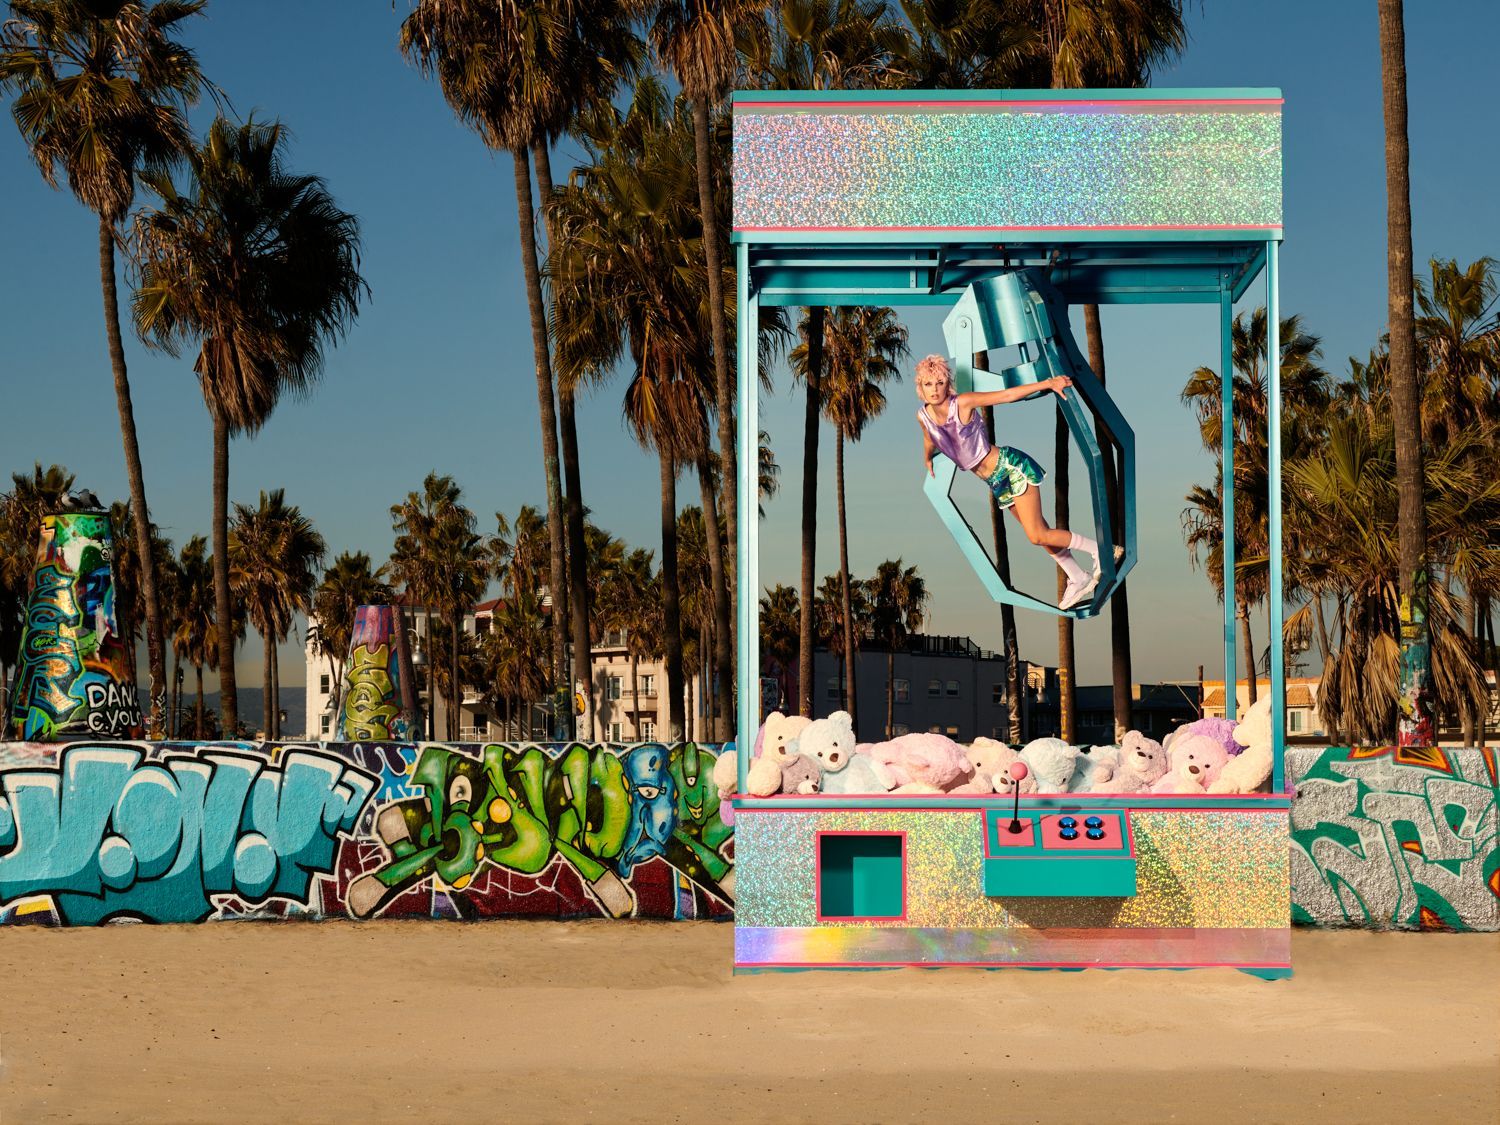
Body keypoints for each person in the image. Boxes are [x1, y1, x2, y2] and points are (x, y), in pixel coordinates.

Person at [914, 353, 1113, 610]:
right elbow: (929, 437)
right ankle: (1078, 576)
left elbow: (1007, 396)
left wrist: (1048, 384)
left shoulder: (962, 403)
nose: (934, 389)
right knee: (1041, 532)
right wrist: (927, 458)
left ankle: (1100, 549)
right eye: (928, 384)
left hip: (1009, 467)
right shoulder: (923, 416)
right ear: (921, 387)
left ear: (946, 383)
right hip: (995, 482)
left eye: (939, 383)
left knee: (1036, 534)